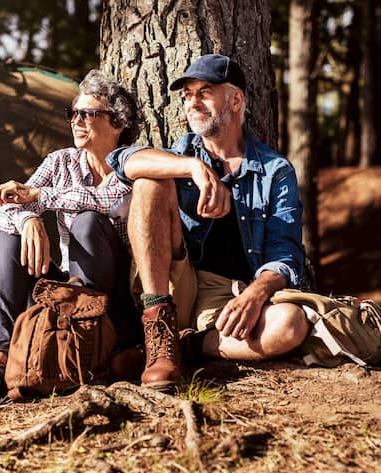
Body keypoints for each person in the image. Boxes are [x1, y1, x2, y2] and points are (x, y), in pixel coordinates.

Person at [108, 54, 310, 391]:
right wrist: (192, 168)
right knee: (148, 182)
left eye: (204, 92)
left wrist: (256, 293)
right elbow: (122, 160)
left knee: (290, 325)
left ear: (235, 100)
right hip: (173, 283)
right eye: (187, 94)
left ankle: (184, 347)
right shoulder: (181, 152)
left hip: (227, 297)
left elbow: (286, 255)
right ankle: (159, 330)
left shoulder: (275, 171)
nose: (192, 102)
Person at [0, 70, 143, 408]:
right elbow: (6, 211)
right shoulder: (60, 162)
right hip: (65, 292)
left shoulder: (130, 163)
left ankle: (81, 351)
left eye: (87, 114)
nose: (76, 121)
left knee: (87, 223)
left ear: (117, 123)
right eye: (73, 113)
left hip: (113, 305)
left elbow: (104, 202)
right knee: (9, 239)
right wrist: (29, 219)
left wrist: (40, 196)